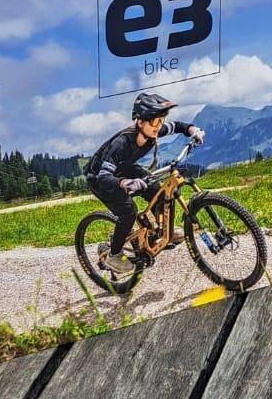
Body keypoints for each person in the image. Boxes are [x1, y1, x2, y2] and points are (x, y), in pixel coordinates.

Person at [86, 91, 205, 268]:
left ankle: (162, 233)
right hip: (99, 179)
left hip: (124, 168)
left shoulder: (152, 131)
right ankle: (113, 254)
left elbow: (177, 126)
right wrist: (125, 182)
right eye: (155, 121)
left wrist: (192, 130)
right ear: (140, 122)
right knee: (128, 211)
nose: (159, 126)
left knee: (159, 192)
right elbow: (104, 177)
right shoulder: (122, 143)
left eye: (161, 120)